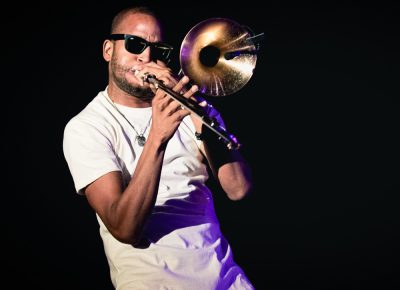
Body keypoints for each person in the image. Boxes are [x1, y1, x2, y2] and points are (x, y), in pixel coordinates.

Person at [63, 5, 254, 290]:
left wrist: (194, 110)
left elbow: (238, 189)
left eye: (158, 49)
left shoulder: (193, 108)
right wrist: (158, 136)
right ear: (108, 50)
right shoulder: (87, 126)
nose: (146, 57)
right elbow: (124, 228)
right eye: (135, 44)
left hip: (227, 281)